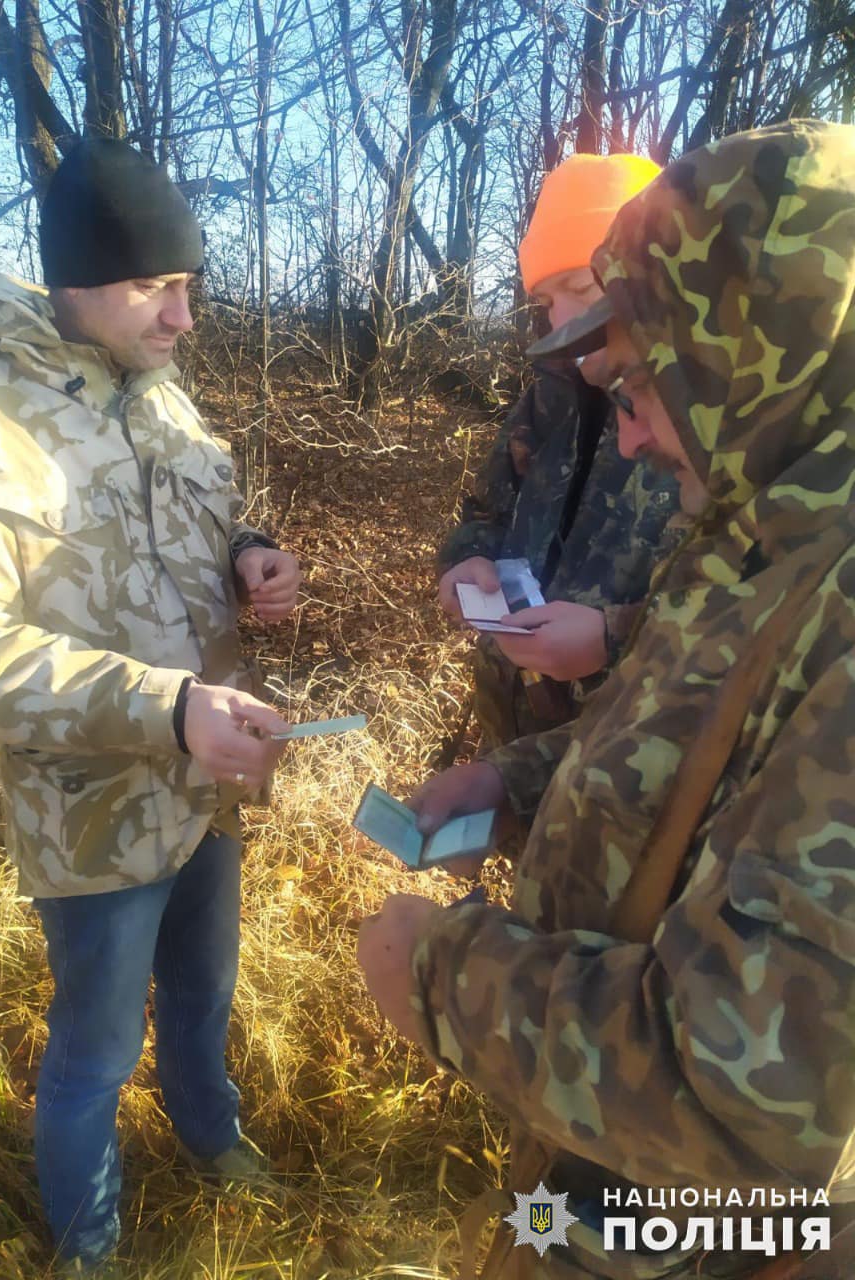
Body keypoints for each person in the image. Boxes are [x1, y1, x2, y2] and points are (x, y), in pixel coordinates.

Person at [358, 119, 855, 1278]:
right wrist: (511, 774)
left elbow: (747, 1107)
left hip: (711, 1231)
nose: (623, 421)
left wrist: (442, 976)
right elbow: (662, 729)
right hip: (600, 1167)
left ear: (746, 350)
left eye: (640, 377)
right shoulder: (753, 531)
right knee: (536, 1235)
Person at [0, 138, 302, 1273]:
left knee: (206, 990)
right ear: (78, 278)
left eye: (191, 287)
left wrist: (251, 554)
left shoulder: (161, 400)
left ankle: (211, 1133)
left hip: (208, 786)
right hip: (93, 815)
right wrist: (164, 705)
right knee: (93, 1050)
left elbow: (202, 521)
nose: (185, 317)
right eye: (158, 288)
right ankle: (88, 1242)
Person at [437, 153, 679, 750]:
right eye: (546, 301)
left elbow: (743, 606)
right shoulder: (549, 396)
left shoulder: (696, 409)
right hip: (518, 722)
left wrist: (612, 637)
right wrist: (466, 562)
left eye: (579, 286)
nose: (563, 322)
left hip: (631, 739)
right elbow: (487, 513)